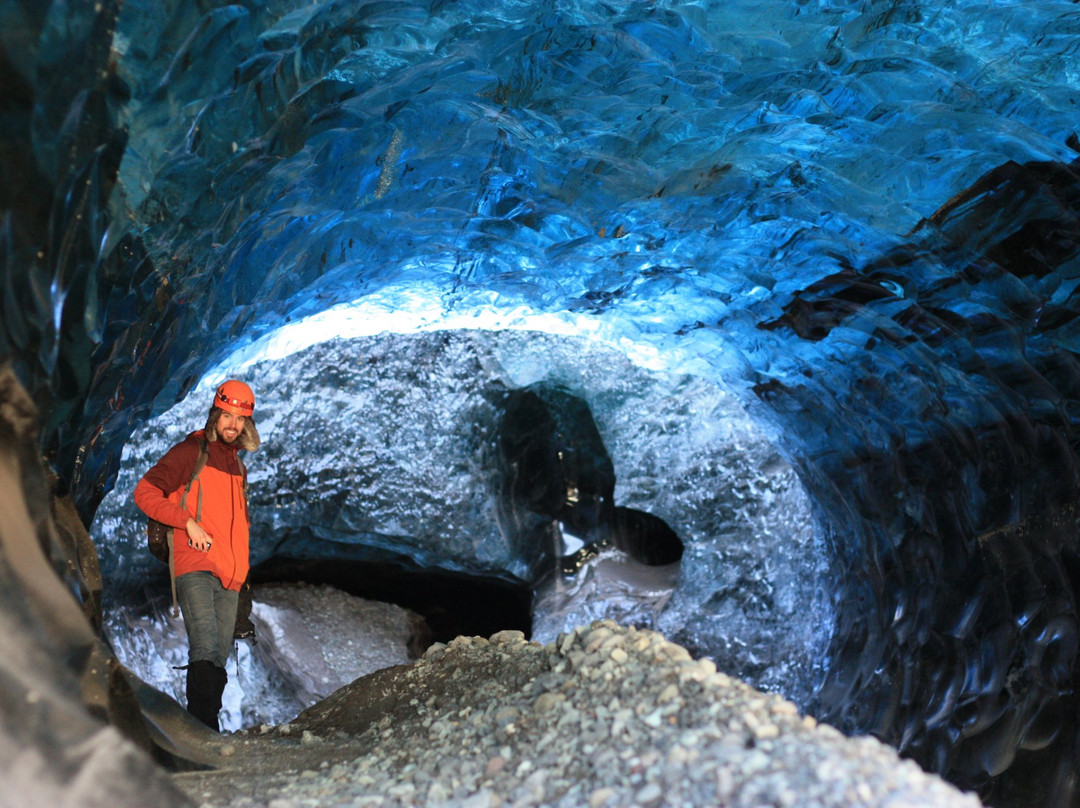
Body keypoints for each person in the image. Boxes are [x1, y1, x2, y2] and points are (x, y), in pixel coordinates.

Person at [133, 379, 260, 731]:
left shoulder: (238, 467)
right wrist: (186, 522)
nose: (233, 425)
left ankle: (205, 726)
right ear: (215, 414)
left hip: (230, 576)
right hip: (195, 564)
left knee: (217, 657)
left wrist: (243, 579)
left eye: (240, 419)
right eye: (227, 416)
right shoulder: (191, 452)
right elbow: (144, 492)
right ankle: (202, 729)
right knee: (204, 646)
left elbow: (239, 529)